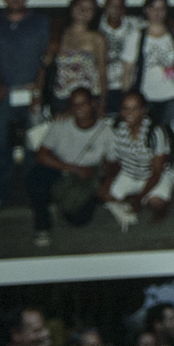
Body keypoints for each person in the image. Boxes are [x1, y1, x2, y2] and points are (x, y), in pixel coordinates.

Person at [0, 0, 54, 214]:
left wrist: (38, 90)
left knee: (32, 149)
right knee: (2, 148)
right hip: (3, 97)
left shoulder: (41, 23)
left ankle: (35, 195)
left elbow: (47, 60)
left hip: (31, 95)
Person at [26, 88, 113, 247]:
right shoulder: (62, 124)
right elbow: (41, 156)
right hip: (63, 167)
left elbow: (112, 162)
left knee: (78, 219)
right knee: (36, 178)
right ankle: (42, 226)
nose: (79, 108)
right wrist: (72, 169)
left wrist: (105, 184)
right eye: (74, 104)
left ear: (93, 104)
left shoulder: (105, 130)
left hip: (88, 174)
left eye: (83, 104)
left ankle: (76, 202)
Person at [101, 92, 174, 229]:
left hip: (155, 175)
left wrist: (139, 198)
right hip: (130, 172)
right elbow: (112, 161)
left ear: (143, 111)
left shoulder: (155, 132)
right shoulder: (117, 128)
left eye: (134, 109)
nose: (129, 113)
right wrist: (109, 180)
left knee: (155, 204)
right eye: (125, 108)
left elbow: (157, 172)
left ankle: (157, 199)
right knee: (104, 194)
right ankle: (133, 197)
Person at [132, 0, 174, 146]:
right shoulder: (136, 35)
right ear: (146, 10)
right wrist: (128, 95)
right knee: (149, 138)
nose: (158, 12)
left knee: (171, 138)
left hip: (173, 94)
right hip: (145, 96)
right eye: (153, 7)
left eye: (162, 8)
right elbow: (127, 69)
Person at [42, 0, 109, 108]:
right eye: (80, 6)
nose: (83, 11)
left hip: (88, 98)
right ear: (72, 8)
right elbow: (46, 63)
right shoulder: (58, 33)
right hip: (62, 96)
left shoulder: (98, 38)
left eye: (89, 9)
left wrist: (102, 101)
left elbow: (102, 71)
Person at [100, 0, 141, 113]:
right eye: (112, 5)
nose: (116, 10)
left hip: (128, 85)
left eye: (120, 6)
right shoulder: (95, 24)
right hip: (101, 86)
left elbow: (159, 24)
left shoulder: (135, 24)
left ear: (124, 8)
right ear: (105, 6)